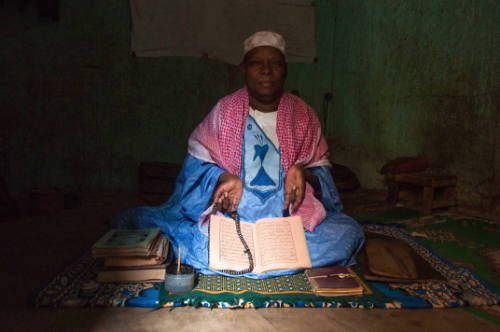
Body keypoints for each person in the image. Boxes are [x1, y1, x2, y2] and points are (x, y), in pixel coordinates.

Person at [112, 31, 364, 278]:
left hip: (288, 221)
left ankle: (249, 258)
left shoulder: (304, 115)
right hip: (233, 216)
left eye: (275, 64)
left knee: (347, 233)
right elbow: (194, 170)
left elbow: (324, 179)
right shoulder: (224, 111)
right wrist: (222, 178)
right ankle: (269, 258)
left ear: (285, 70)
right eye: (257, 64)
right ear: (243, 69)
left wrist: (304, 173)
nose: (266, 71)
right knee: (185, 235)